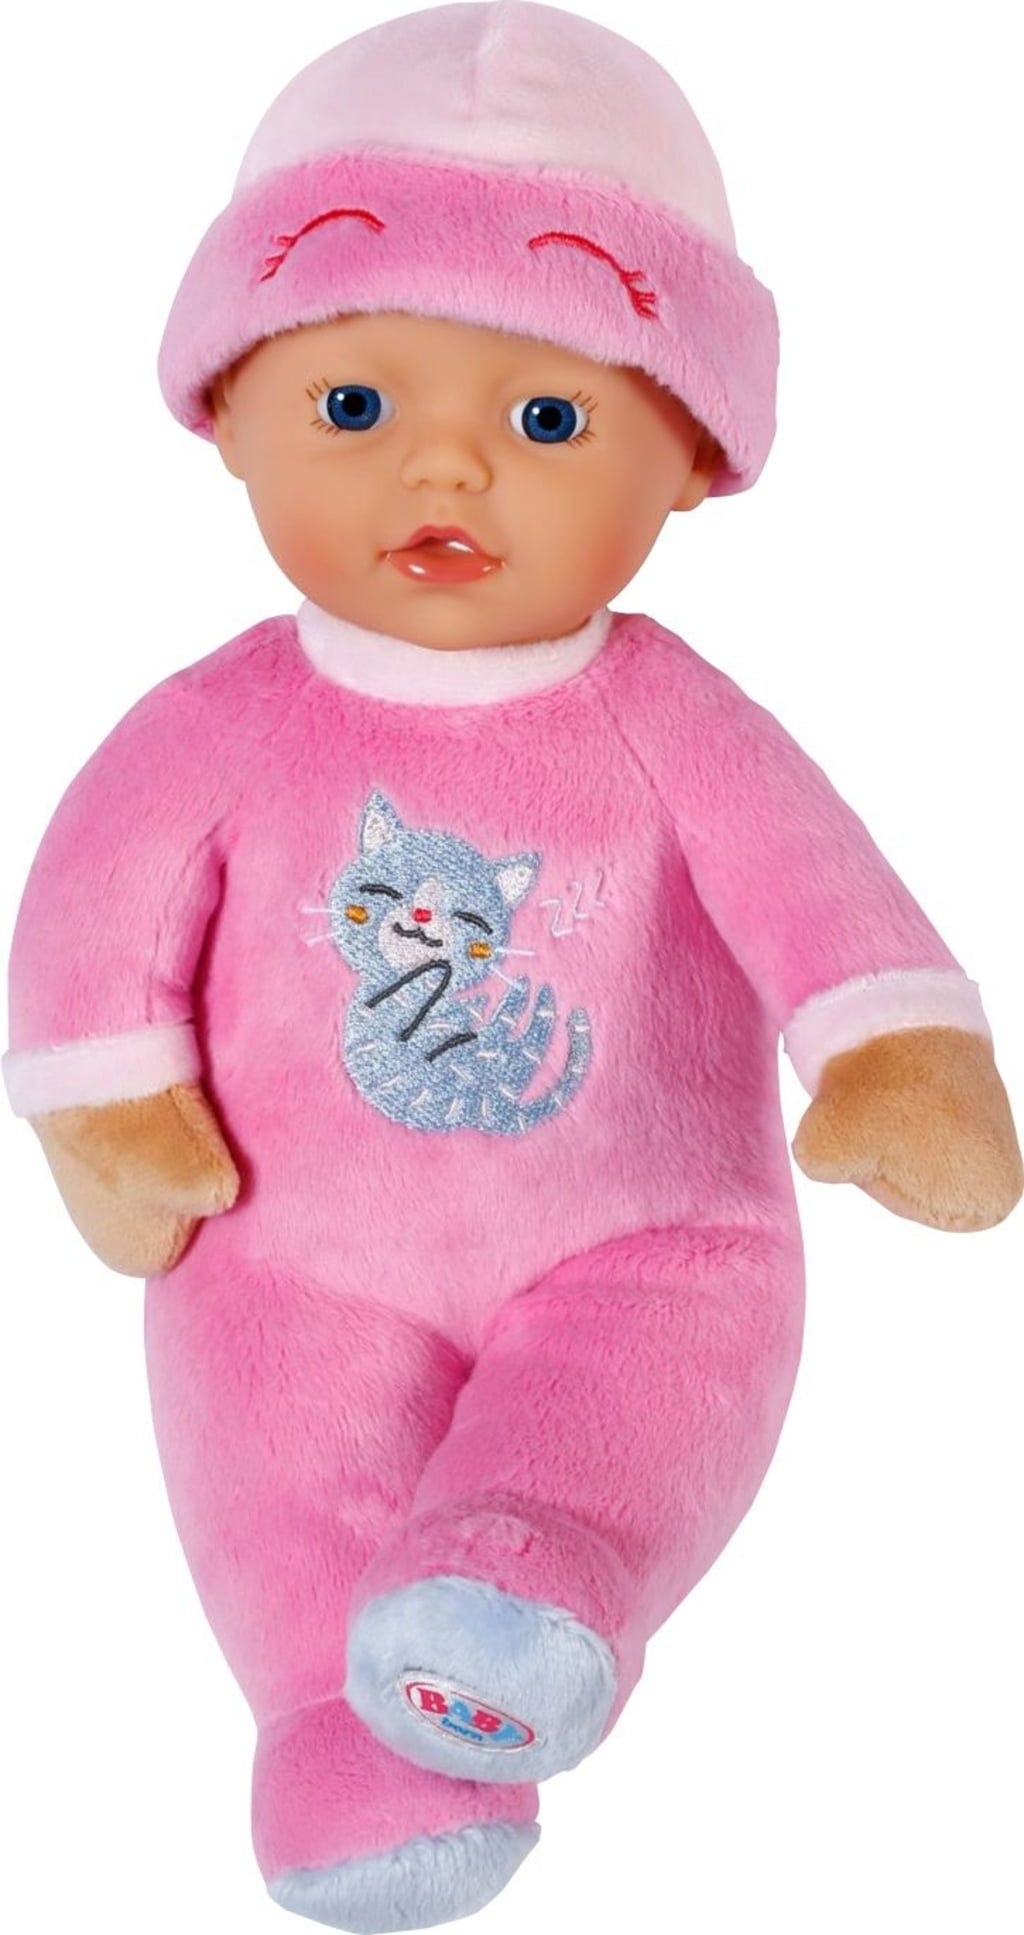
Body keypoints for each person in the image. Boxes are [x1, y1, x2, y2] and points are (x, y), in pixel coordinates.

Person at [4, 6, 1020, 1930]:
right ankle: (343, 1733)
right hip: (289, 1241)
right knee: (276, 1460)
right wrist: (109, 1105)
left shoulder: (672, 720)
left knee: (652, 1377)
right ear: (227, 414)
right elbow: (93, 909)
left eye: (547, 420)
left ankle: (533, 1576)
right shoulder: (219, 724)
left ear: (689, 455)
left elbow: (818, 892)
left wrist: (892, 1051)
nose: (445, 469)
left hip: (638, 1232)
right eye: (354, 407)